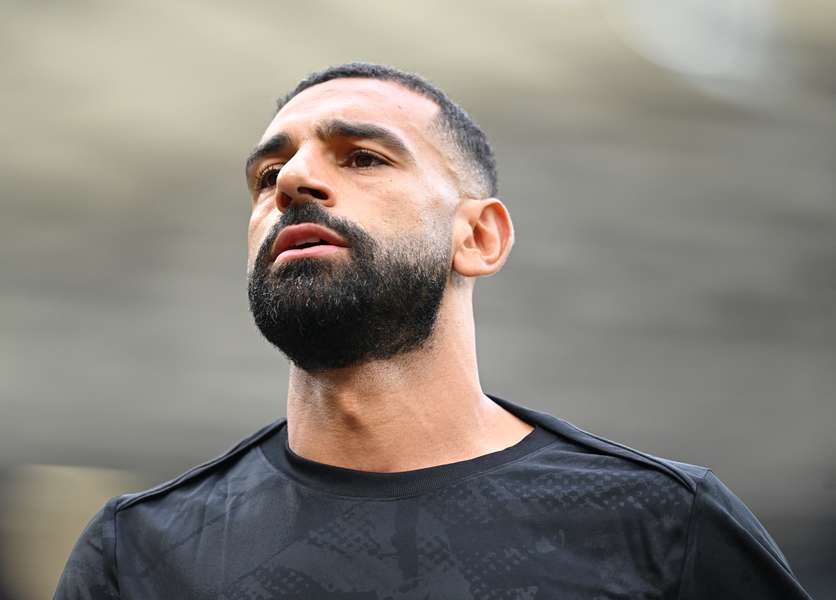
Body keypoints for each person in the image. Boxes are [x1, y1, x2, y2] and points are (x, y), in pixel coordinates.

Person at [54, 63, 813, 599]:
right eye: (266, 176)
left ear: (479, 238)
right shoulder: (142, 551)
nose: (290, 182)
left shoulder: (662, 524)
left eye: (362, 156)